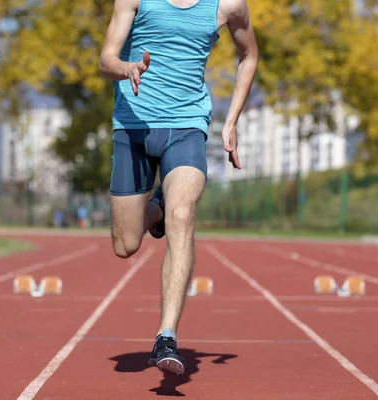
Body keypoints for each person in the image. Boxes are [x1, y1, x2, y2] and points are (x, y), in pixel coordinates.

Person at [99, 0, 257, 375]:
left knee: (183, 214)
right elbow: (106, 60)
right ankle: (157, 207)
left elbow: (249, 55)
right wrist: (128, 68)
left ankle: (166, 336)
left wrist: (231, 121)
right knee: (126, 244)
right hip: (133, 128)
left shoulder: (228, 5)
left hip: (187, 126)